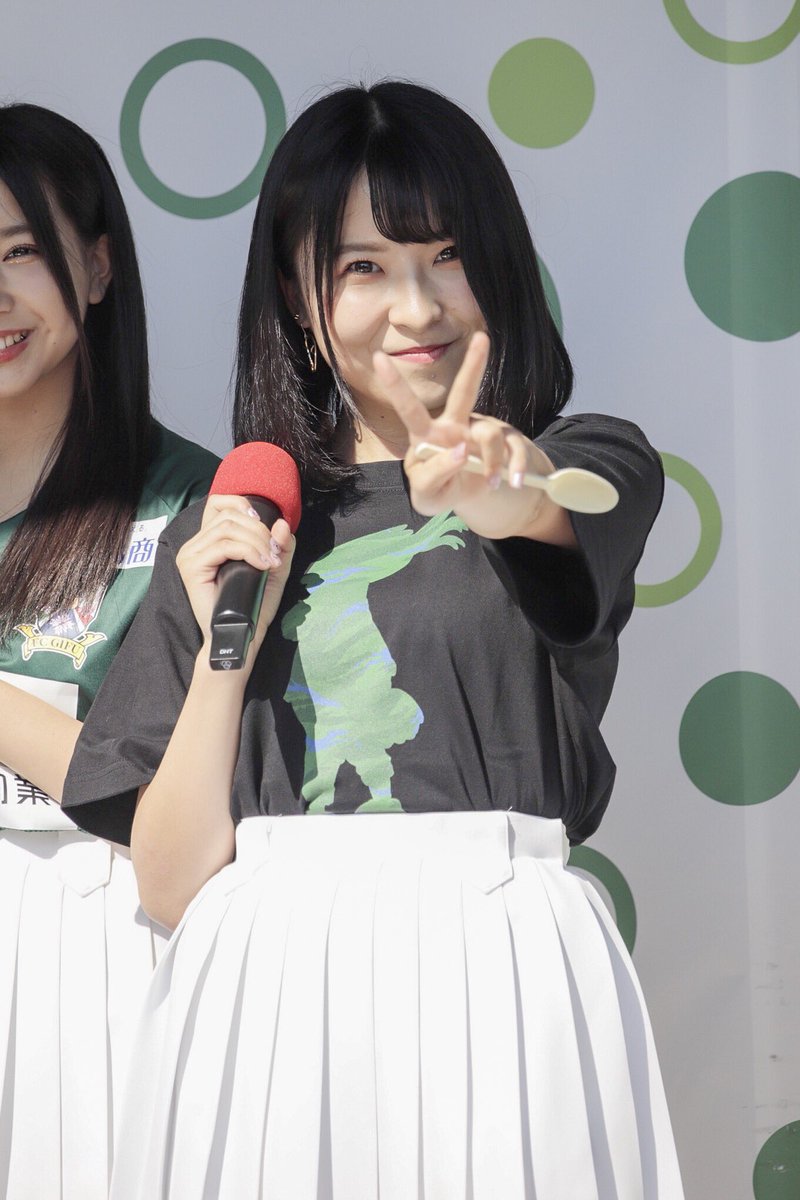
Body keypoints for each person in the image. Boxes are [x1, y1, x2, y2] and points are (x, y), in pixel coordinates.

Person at [63, 81, 684, 1199]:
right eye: (363, 267)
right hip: (264, 988)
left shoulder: (588, 461)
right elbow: (167, 883)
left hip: (500, 966)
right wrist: (226, 646)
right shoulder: (231, 528)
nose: (415, 304)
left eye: (446, 255)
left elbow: (542, 501)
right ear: (300, 300)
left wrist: (491, 482)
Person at [0, 103, 219, 1200]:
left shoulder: (199, 506)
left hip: (101, 953)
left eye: (18, 253)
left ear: (94, 266)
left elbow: (169, 804)